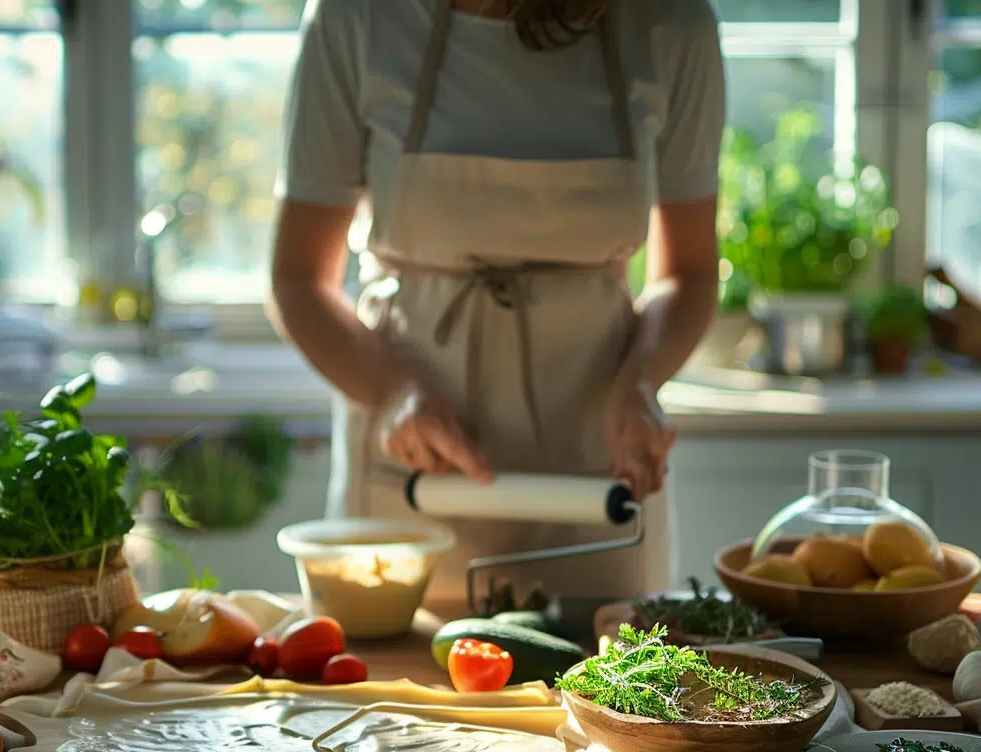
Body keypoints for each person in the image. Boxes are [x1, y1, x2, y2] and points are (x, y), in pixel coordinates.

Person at [269, 0, 723, 610]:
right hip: (416, 479)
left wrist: (641, 379)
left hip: (597, 484)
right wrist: (395, 394)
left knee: (606, 695)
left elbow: (690, 273)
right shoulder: (357, 17)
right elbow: (298, 279)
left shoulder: (669, 21)